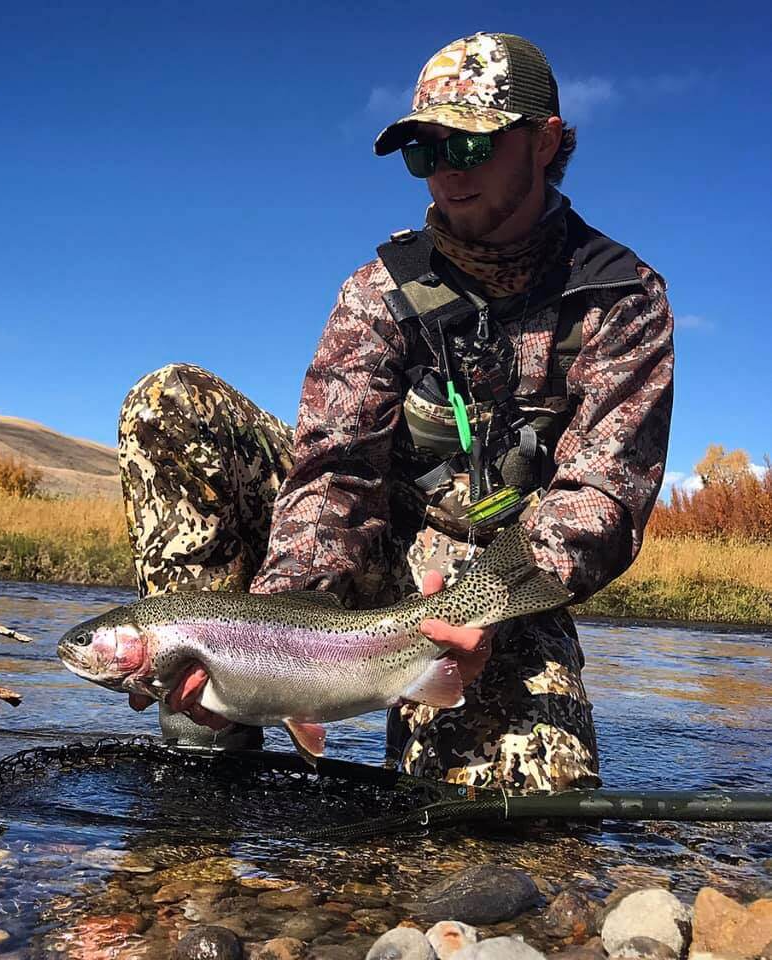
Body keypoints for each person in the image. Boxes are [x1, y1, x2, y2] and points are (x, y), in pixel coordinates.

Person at [117, 31, 674, 791]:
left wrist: (484, 608)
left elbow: (603, 496)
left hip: (499, 572)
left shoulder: (621, 297)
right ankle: (213, 714)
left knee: (516, 813)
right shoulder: (379, 289)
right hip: (366, 535)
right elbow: (335, 471)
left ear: (544, 142)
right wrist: (279, 634)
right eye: (425, 151)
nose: (446, 172)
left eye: (470, 145)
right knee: (172, 406)